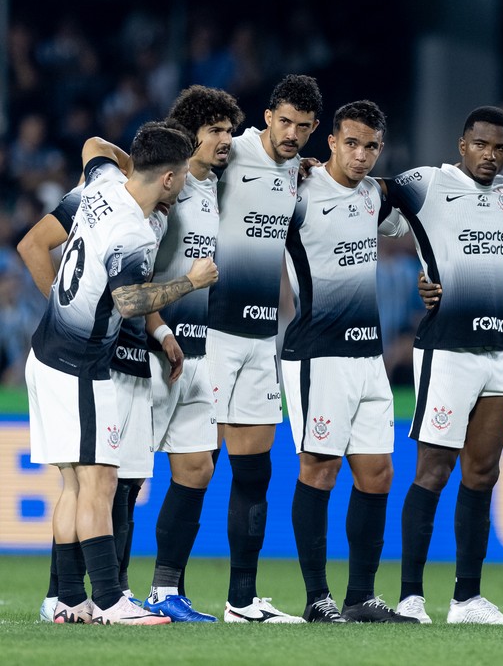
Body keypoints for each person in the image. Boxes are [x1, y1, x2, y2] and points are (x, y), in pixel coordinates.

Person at [25, 122, 217, 624]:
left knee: (73, 484)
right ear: (171, 179)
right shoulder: (134, 230)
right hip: (81, 364)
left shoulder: (104, 183)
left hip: (47, 354)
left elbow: (91, 144)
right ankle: (112, 601)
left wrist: (125, 160)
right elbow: (130, 300)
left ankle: (69, 600)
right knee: (100, 483)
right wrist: (188, 282)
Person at [382, 106, 503, 625]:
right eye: (482, 145)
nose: (491, 155)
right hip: (446, 350)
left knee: (483, 473)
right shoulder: (427, 183)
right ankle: (411, 597)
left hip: (495, 352)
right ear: (462, 145)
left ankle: (467, 599)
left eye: (501, 148)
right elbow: (371, 191)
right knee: (433, 471)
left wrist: (464, 268)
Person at [281, 100, 416, 624]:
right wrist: (291, 165)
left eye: (372, 146)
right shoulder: (297, 192)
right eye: (352, 143)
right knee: (319, 469)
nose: (361, 156)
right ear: (330, 141)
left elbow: (422, 224)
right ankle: (318, 598)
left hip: (368, 354)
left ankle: (361, 596)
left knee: (378, 473)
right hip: (317, 353)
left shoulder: (375, 197)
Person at [208, 74, 322, 624]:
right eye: (285, 122)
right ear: (267, 115)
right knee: (192, 465)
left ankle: (241, 600)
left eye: (303, 127)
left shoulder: (299, 174)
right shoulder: (233, 151)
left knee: (254, 474)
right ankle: (161, 592)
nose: (293, 134)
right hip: (209, 333)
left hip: (260, 339)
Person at [141, 86, 244, 622]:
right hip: (150, 349)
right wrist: (158, 330)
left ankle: (164, 591)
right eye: (216, 131)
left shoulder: (213, 189)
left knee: (198, 469)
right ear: (190, 135)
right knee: (123, 478)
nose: (225, 140)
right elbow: (135, 276)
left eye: (230, 131)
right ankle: (82, 591)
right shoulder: (164, 191)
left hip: (199, 352)